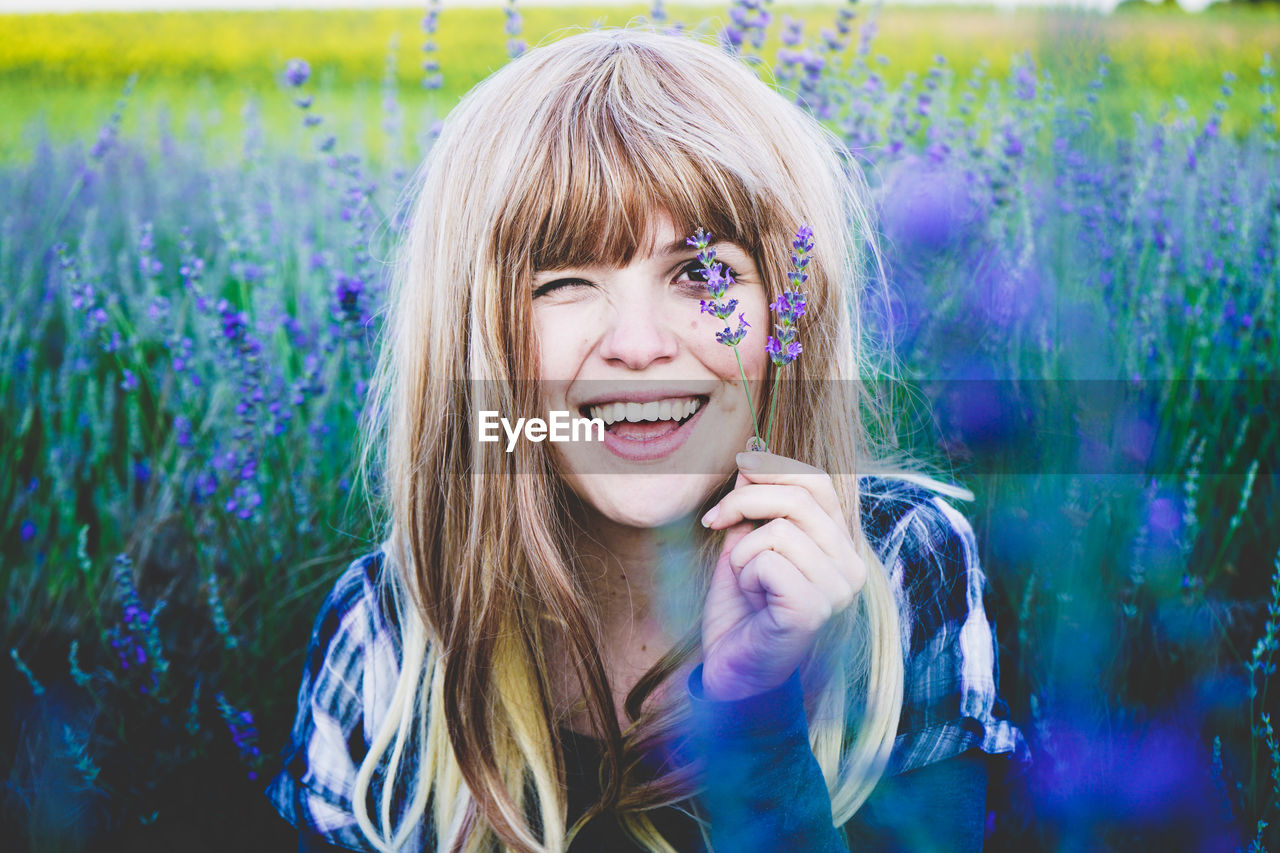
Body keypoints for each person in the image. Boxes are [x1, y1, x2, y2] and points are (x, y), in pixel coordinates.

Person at [266, 25, 1029, 853]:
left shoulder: (897, 566)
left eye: (703, 274)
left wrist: (758, 719)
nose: (639, 343)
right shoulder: (387, 637)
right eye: (562, 280)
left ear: (789, 311)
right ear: (472, 338)